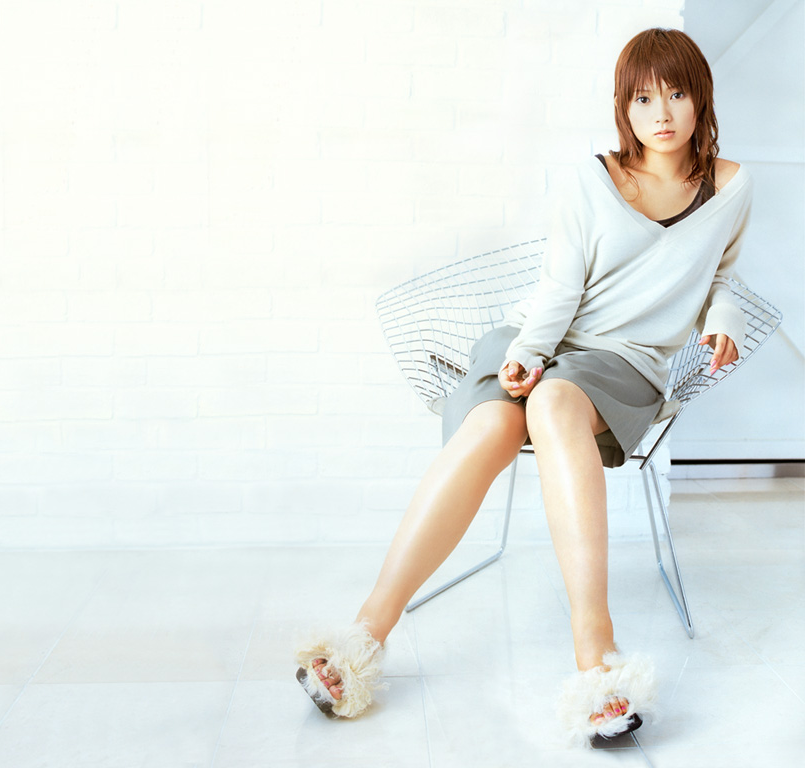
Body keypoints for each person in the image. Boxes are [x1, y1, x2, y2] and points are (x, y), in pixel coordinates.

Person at [293, 27, 752, 746]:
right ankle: (364, 639)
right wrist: (529, 354)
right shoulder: (592, 179)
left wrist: (723, 320)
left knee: (557, 402)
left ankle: (595, 656)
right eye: (641, 98)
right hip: (541, 336)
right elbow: (560, 285)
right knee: (494, 424)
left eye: (675, 93)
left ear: (701, 97)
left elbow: (721, 273)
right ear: (622, 107)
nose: (660, 113)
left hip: (624, 364)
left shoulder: (729, 186)